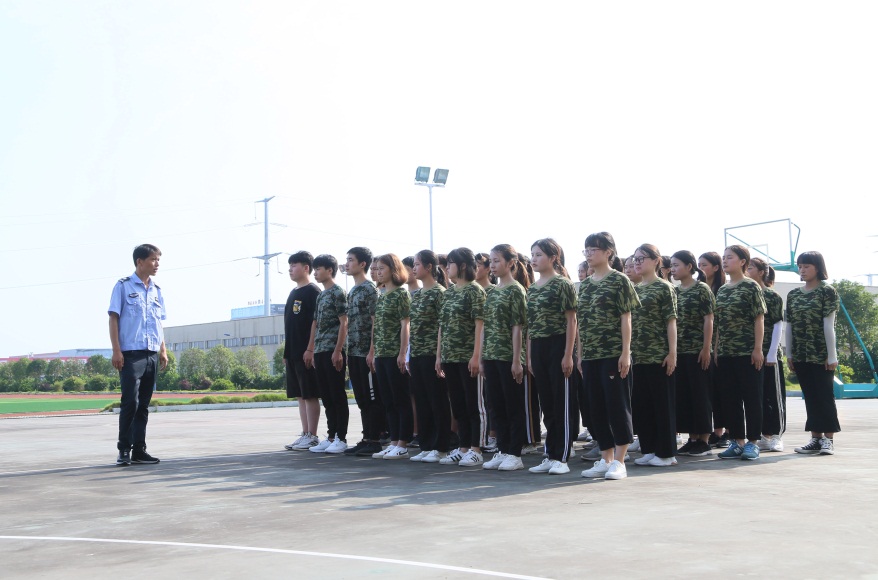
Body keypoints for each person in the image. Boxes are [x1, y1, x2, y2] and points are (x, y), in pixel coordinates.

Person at [579, 233, 640, 480]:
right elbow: (581, 322)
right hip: (590, 356)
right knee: (596, 408)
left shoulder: (619, 280)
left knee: (617, 406)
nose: (589, 254)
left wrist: (625, 353)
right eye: (586, 250)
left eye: (593, 249)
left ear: (608, 252)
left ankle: (620, 460)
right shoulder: (585, 285)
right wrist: (579, 354)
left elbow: (626, 318)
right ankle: (605, 458)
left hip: (613, 354)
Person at [108, 244, 168, 465]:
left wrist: (163, 350)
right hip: (131, 354)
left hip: (151, 353)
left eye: (158, 260)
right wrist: (116, 350)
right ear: (139, 262)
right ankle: (124, 449)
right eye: (153, 259)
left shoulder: (157, 291)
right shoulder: (123, 286)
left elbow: (158, 323)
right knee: (130, 402)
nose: (157, 264)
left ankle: (139, 450)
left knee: (143, 405)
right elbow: (113, 318)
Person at [526, 238, 578, 476]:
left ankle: (562, 456)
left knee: (561, 403)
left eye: (538, 255)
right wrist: (529, 356)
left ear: (553, 258)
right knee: (547, 404)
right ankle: (550, 453)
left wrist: (568, 354)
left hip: (558, 344)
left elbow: (571, 321)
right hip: (538, 347)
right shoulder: (532, 288)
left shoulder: (562, 284)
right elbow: (530, 325)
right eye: (532, 254)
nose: (534, 259)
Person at [481, 244, 530, 472]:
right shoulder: (492, 292)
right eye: (490, 261)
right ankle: (502, 449)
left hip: (508, 356)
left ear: (510, 263)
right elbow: (486, 326)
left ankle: (514, 453)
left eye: (497, 260)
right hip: (491, 355)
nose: (492, 265)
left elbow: (517, 327)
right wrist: (483, 357)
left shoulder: (516, 290)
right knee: (496, 405)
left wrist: (517, 360)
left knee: (513, 406)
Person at [714, 245, 766, 461]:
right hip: (726, 353)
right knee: (730, 399)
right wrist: (716, 349)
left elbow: (759, 318)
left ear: (743, 261)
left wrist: (757, 349)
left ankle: (753, 442)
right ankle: (737, 441)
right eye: (723, 257)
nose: (725, 261)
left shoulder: (751, 286)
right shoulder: (722, 290)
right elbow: (719, 323)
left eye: (730, 257)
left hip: (747, 351)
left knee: (752, 398)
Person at [437, 247, 488, 467]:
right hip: (450, 356)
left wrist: (476, 356)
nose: (447, 268)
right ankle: (463, 446)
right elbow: (442, 326)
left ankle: (476, 448)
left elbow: (480, 325)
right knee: (458, 405)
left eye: (451, 263)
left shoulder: (475, 291)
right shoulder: (448, 293)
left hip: (468, 357)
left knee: (473, 405)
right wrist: (439, 355)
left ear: (463, 265)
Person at [787, 251, 841, 455]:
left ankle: (828, 439)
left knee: (824, 396)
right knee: (810, 396)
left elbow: (829, 325)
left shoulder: (827, 291)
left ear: (817, 268)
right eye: (800, 266)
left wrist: (831, 354)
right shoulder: (793, 294)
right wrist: (789, 353)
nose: (802, 270)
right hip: (801, 354)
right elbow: (789, 325)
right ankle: (815, 438)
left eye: (806, 266)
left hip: (821, 354)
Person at [630, 244, 678, 468]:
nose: (637, 263)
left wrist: (672, 353)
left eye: (642, 258)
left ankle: (667, 453)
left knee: (662, 406)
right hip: (638, 356)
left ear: (656, 261)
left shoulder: (664, 288)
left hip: (659, 355)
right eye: (635, 259)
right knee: (643, 406)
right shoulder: (635, 289)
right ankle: (649, 449)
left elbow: (671, 322)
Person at [408, 250, 451, 463]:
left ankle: (440, 446)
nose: (414, 268)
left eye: (417, 264)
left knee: (437, 401)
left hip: (432, 353)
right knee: (422, 401)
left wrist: (439, 355)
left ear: (429, 267)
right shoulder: (417, 294)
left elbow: (443, 326)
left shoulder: (439, 293)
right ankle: (426, 445)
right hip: (417, 353)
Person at [368, 254, 413, 459]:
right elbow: (376, 327)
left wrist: (403, 352)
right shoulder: (382, 295)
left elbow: (405, 325)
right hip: (382, 354)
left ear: (393, 270)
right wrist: (373, 352)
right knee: (388, 400)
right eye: (376, 268)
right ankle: (394, 441)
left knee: (400, 399)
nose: (378, 272)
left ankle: (403, 442)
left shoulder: (401, 294)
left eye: (382, 268)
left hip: (395, 354)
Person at [671, 250, 715, 457]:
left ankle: (704, 440)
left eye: (676, 265)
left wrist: (706, 348)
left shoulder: (702, 289)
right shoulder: (675, 291)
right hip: (679, 352)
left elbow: (709, 319)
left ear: (689, 267)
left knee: (700, 395)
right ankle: (692, 438)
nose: (673, 269)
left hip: (697, 351)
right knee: (685, 396)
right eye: (671, 265)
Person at [342, 247, 385, 457]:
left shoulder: (369, 290)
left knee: (371, 398)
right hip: (353, 352)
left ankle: (374, 440)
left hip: (366, 352)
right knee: (360, 398)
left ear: (362, 264)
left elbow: (376, 321)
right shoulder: (353, 291)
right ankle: (366, 438)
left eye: (351, 260)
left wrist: (372, 351)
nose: (347, 264)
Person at [307, 254, 349, 454]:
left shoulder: (337, 292)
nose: (315, 273)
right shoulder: (321, 295)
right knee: (326, 396)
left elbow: (344, 322)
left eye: (318, 269)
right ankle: (331, 436)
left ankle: (341, 437)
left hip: (333, 350)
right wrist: (312, 349)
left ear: (329, 270)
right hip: (321, 350)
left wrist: (338, 350)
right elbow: (315, 323)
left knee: (337, 394)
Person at [283, 251, 323, 451]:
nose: (290, 269)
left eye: (294, 265)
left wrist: (310, 348)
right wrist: (286, 353)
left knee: (309, 394)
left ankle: (313, 435)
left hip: (306, 352)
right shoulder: (293, 293)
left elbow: (317, 323)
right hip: (293, 353)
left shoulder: (313, 292)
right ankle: (305, 433)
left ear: (306, 268)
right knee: (300, 395)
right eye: (289, 266)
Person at [747, 258, 786, 453]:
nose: (747, 271)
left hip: (769, 355)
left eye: (750, 268)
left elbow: (778, 325)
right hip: (750, 355)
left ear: (761, 272)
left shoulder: (772, 295)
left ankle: (776, 436)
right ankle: (763, 435)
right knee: (757, 398)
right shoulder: (745, 293)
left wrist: (771, 353)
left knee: (773, 396)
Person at [698, 251, 728, 448]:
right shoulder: (699, 288)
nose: (700, 268)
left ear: (716, 268)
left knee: (722, 391)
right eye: (699, 265)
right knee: (709, 391)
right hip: (702, 345)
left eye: (705, 265)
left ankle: (726, 431)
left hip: (719, 345)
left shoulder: (721, 290)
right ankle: (715, 431)